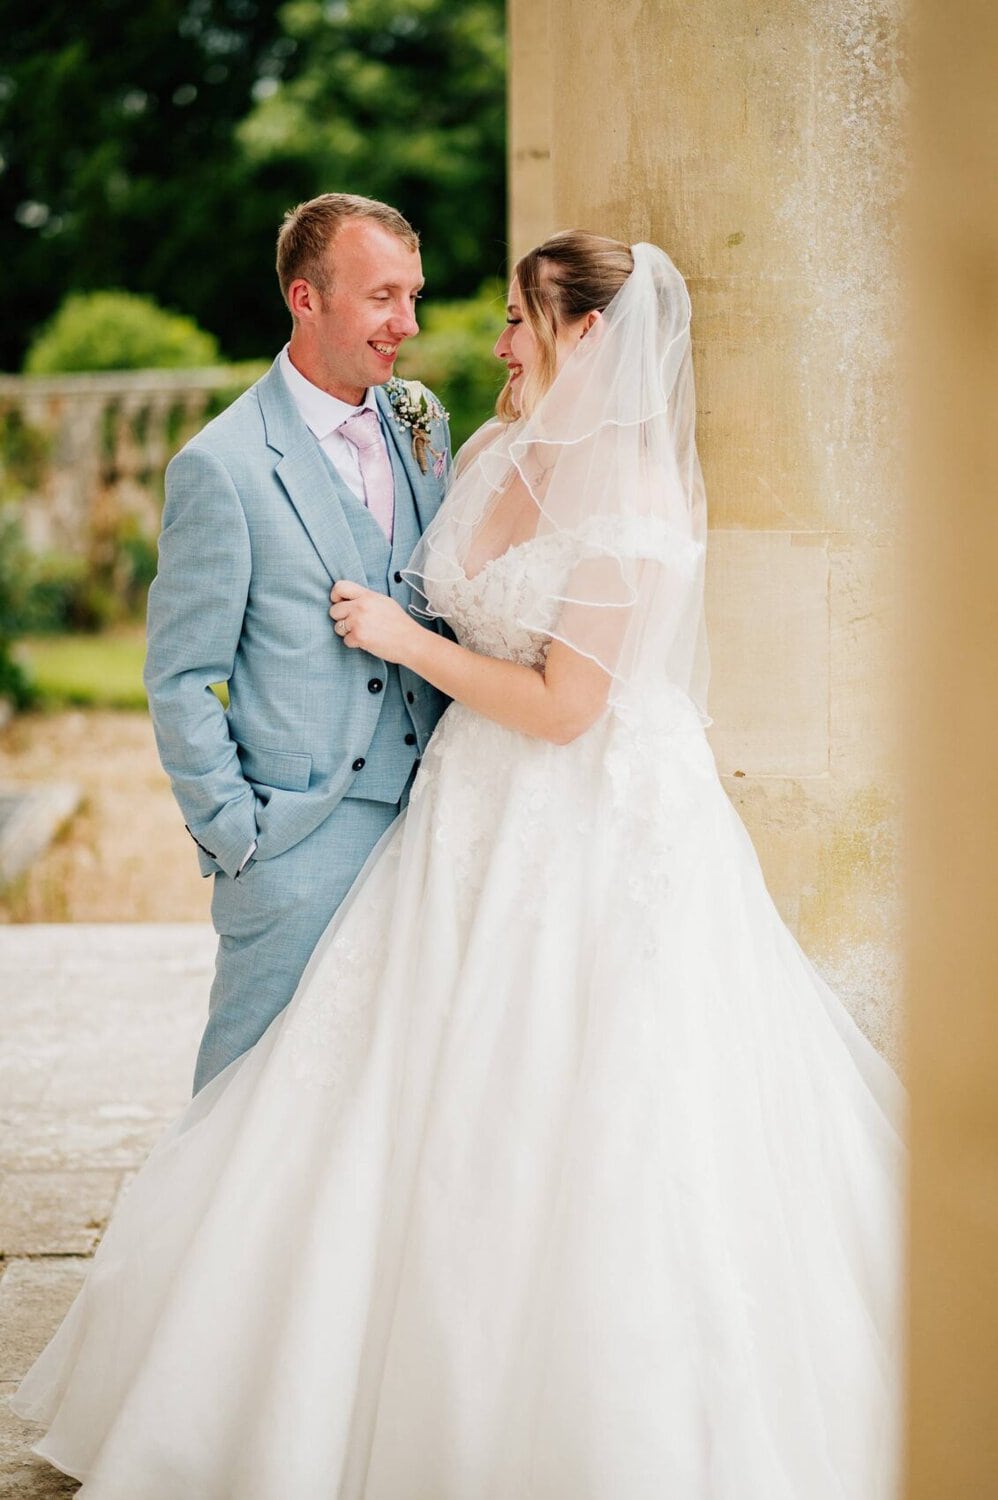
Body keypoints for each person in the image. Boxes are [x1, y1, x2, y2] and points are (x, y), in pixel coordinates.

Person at [13, 234, 904, 1500]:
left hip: (590, 827)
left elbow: (560, 708)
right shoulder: (478, 447)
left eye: (511, 320)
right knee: (357, 1094)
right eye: (449, 308)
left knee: (598, 1118)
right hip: (453, 823)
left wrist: (393, 639)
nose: (480, 343)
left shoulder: (635, 506)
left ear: (586, 336)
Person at [143, 192, 451, 1093]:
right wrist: (237, 836)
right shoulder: (222, 466)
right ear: (305, 299)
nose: (409, 323)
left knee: (399, 1100)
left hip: (439, 823)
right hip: (293, 847)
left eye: (414, 295)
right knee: (249, 1103)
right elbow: (180, 677)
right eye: (383, 297)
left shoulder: (423, 423)